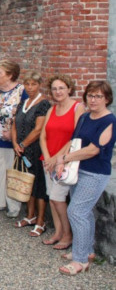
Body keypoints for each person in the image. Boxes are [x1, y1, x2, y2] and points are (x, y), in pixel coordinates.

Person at [56, 81, 115, 275]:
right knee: (85, 212)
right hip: (77, 170)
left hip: (95, 173)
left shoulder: (109, 121)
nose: (94, 99)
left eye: (99, 96)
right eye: (90, 95)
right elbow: (75, 141)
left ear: (107, 98)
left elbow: (94, 149)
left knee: (76, 211)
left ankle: (80, 260)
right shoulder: (84, 117)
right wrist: (62, 161)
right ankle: (87, 250)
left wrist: (66, 158)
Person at [39, 74, 84, 249]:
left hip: (64, 162)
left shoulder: (77, 108)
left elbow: (75, 137)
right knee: (52, 199)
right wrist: (47, 157)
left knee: (58, 198)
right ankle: (58, 232)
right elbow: (43, 136)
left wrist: (57, 158)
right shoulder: (52, 109)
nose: (58, 92)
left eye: (62, 88)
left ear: (69, 89)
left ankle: (67, 235)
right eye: (55, 89)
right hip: (48, 160)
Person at [11, 71, 51, 236]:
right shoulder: (23, 102)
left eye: (33, 84)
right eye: (27, 84)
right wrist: (15, 144)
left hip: (36, 150)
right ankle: (30, 215)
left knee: (38, 186)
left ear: (39, 85)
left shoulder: (43, 104)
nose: (30, 87)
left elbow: (38, 129)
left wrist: (23, 144)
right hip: (21, 150)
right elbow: (14, 124)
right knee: (26, 184)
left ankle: (41, 221)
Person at [0, 59, 26, 218]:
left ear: (10, 75)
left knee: (12, 172)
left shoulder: (21, 91)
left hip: (12, 141)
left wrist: (13, 133)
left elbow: (24, 115)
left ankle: (14, 205)